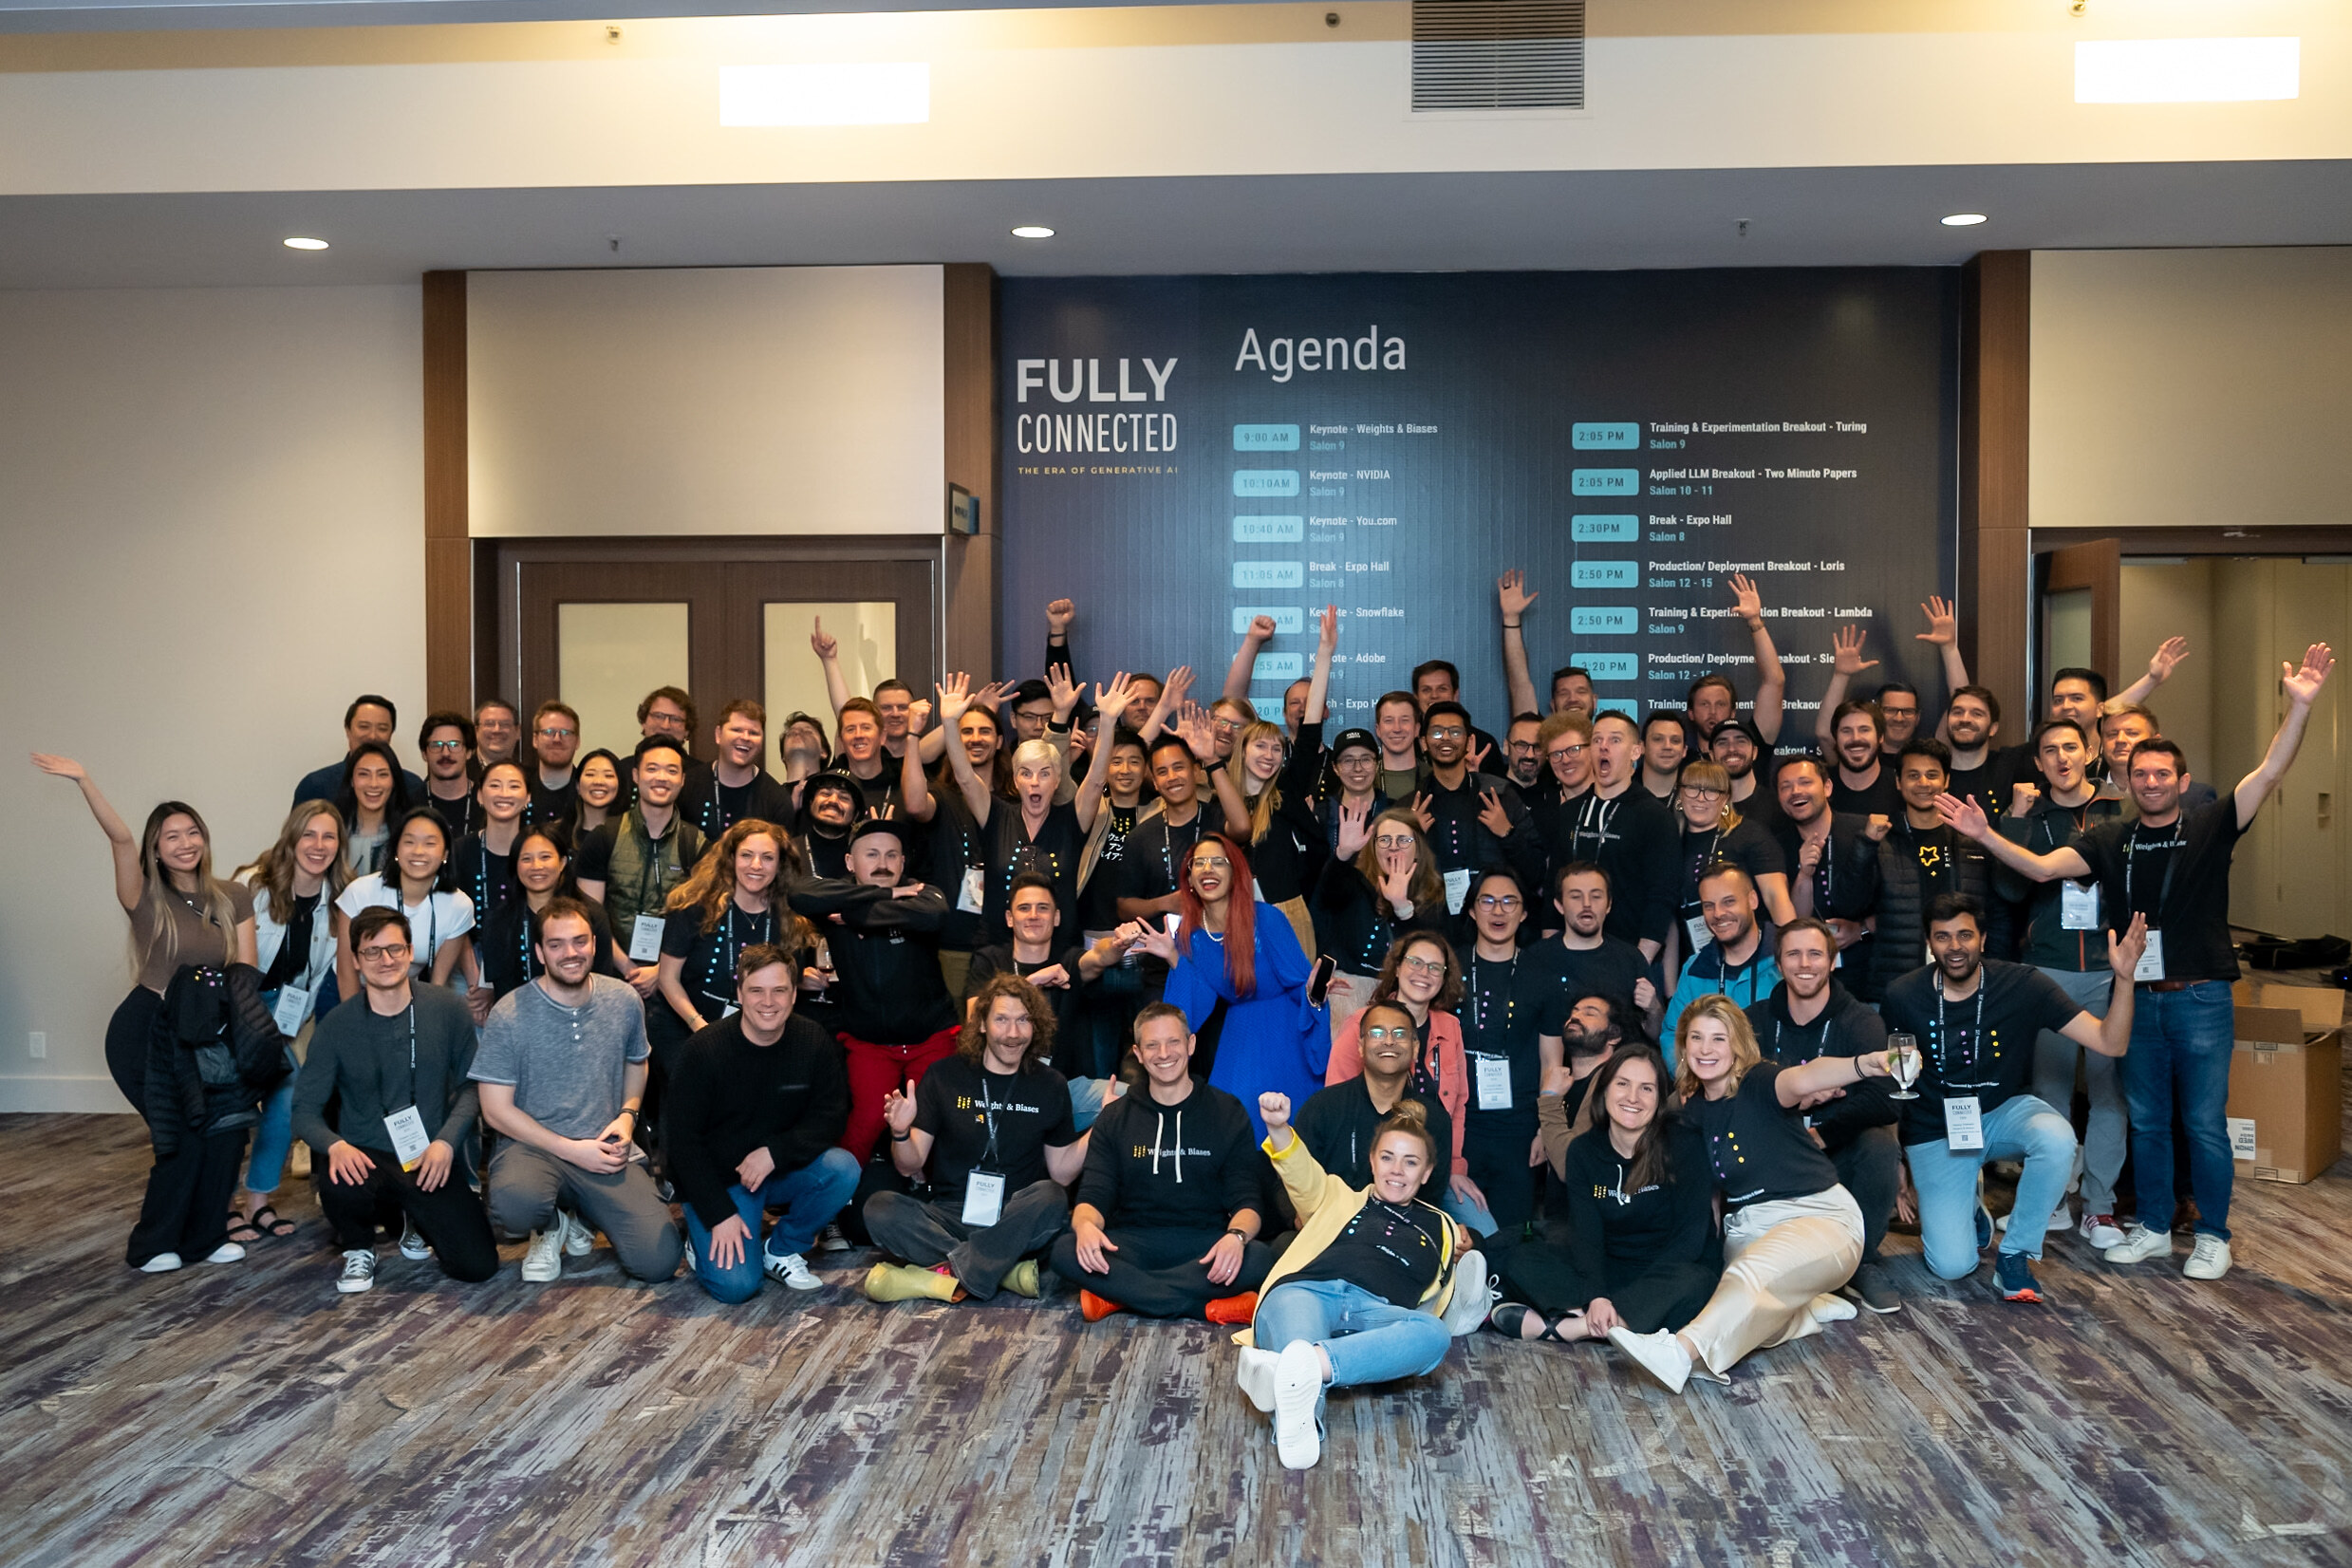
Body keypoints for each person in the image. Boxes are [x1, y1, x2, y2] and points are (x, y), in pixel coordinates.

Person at [1940, 642, 2333, 1281]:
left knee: (2201, 1123)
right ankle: (2152, 1226)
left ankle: (2211, 1233)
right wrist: (1986, 835)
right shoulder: (2109, 837)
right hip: (2139, 995)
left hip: (2202, 996)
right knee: (2146, 1118)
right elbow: (2041, 868)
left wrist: (2300, 710)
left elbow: (2268, 773)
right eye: (2141, 775)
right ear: (2127, 780)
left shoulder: (2210, 824)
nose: (2150, 783)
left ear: (2180, 782)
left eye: (2162, 775)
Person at [34, 756, 261, 1267]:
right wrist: (85, 780)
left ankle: (204, 1238)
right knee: (178, 1135)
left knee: (225, 1134)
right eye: (171, 836)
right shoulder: (143, 896)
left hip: (209, 1033)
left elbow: (245, 971)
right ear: (156, 850)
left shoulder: (233, 895)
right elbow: (118, 839)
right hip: (147, 1030)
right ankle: (153, 1245)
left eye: (192, 832)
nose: (185, 843)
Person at [1608, 996, 1889, 1392]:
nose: (1706, 1049)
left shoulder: (1760, 1082)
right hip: (1747, 1227)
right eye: (1697, 1038)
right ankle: (1806, 1306)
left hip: (1818, 1215)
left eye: (1718, 1039)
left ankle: (1678, 1353)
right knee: (1744, 1313)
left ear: (1737, 1044)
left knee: (1747, 1279)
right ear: (1684, 1047)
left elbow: (1806, 1078)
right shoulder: (1689, 1112)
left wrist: (1863, 1065)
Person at [1876, 896, 2144, 1300]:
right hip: (1935, 1126)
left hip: (2004, 1112)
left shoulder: (2023, 984)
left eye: (1965, 935)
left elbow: (2111, 1042)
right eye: (1943, 937)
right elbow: (1894, 1081)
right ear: (1929, 944)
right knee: (1952, 1266)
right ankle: (1970, 1208)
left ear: (1983, 939)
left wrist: (2124, 979)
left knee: (2056, 1138)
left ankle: (2016, 1254)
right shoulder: (1903, 996)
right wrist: (1897, 1158)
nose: (1955, 946)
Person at [1240, 1092, 1482, 1471]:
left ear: (1427, 1172)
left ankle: (1301, 1365)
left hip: (1378, 1313)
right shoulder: (1338, 1196)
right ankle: (1304, 1423)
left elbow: (1442, 1292)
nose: (1397, 1170)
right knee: (1295, 1327)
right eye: (1387, 1158)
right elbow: (1302, 1177)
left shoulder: (1444, 1226)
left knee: (1433, 1335)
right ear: (1372, 1161)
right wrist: (1278, 1128)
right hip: (1309, 1292)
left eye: (1410, 1162)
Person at [473, 897, 682, 1284]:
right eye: (556, 944)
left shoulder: (623, 999)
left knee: (659, 1263)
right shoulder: (509, 1012)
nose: (570, 953)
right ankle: (550, 1224)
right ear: (539, 952)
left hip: (603, 1148)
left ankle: (581, 1213)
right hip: (532, 1148)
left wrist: (626, 1115)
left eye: (579, 941)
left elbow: (637, 1062)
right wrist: (572, 1150)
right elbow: (495, 1110)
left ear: (595, 945)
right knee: (517, 1207)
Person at [293, 907, 498, 1294]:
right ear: (355, 961)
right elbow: (304, 1111)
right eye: (372, 952)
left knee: (477, 1266)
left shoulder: (447, 1009)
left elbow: (474, 1087)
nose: (385, 960)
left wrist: (446, 1142)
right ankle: (359, 1246)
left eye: (394, 949)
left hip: (428, 1155)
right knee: (338, 1175)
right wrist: (334, 1146)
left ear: (409, 952)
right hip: (365, 1156)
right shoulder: (337, 1025)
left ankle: (411, 1219)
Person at [863, 975, 1090, 1303]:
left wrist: (1103, 1124)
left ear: (1035, 1026)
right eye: (1002, 1020)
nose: (1013, 1034)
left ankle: (940, 1277)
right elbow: (908, 1164)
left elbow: (1062, 1173)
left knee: (1053, 1198)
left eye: (1023, 1020)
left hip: (1017, 1216)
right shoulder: (943, 1076)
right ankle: (1004, 1271)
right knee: (879, 1209)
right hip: (950, 1215)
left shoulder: (1050, 1084)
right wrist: (899, 1131)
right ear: (982, 1024)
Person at [1994, 719, 2128, 1249]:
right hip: (2047, 968)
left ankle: (2099, 1207)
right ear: (2039, 762)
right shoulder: (2032, 814)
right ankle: (2051, 1202)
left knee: (2107, 1093)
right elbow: (2006, 888)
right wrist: (2016, 819)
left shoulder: (2119, 810)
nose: (2060, 758)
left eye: (2070, 747)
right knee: (2048, 1093)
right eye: (2049, 751)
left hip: (2107, 967)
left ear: (2088, 750)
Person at [664, 943, 861, 1303]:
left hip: (778, 1170)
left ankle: (783, 1248)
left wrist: (775, 1152)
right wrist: (718, 1213)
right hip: (721, 1182)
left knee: (842, 1168)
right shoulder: (704, 1051)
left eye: (779, 990)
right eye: (756, 990)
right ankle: (699, 1238)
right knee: (737, 1285)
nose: (768, 1001)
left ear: (793, 993)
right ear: (739, 993)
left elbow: (831, 1115)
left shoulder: (812, 1040)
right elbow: (681, 1143)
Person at [1054, 1003, 1274, 1321]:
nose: (1164, 1053)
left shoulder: (1227, 1111)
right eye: (1152, 1045)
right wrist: (1086, 1227)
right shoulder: (1116, 1116)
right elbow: (1093, 1196)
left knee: (1258, 1257)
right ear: (1138, 1053)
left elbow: (1248, 1202)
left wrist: (1236, 1237)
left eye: (1173, 1042)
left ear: (1191, 1044)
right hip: (1130, 1245)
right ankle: (1203, 1306)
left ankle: (1120, 1297)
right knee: (1065, 1249)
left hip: (1204, 1244)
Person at [1487, 1044, 1718, 1346]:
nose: (1633, 1097)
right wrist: (1596, 1295)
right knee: (1523, 1257)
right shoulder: (1584, 1151)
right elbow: (1587, 1235)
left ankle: (1572, 1327)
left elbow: (1690, 1241)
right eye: (1622, 1084)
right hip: (1609, 1267)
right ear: (1605, 1090)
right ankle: (1606, 1326)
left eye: (1646, 1088)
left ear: (1660, 1099)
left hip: (1666, 1272)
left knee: (1698, 1283)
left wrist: (1624, 1299)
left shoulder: (1684, 1145)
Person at [1744, 919, 1902, 1314]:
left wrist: (1825, 1132)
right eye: (1793, 954)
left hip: (1834, 1148)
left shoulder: (1861, 1019)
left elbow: (1886, 1099)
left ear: (1833, 961)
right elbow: (1736, 1091)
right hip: (1773, 1151)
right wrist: (1798, 1102)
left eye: (1815, 954)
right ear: (1778, 964)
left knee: (1880, 1144)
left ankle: (1861, 1261)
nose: (1804, 964)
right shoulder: (1753, 1020)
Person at [787, 817, 961, 1166]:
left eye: (892, 856)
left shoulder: (921, 891)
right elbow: (799, 893)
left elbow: (933, 914)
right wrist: (884, 895)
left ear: (903, 862)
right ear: (850, 863)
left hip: (931, 1037)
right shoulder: (839, 893)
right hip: (869, 1042)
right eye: (872, 855)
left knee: (936, 1121)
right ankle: (840, 1201)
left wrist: (856, 916)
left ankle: (936, 1195)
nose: (883, 864)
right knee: (865, 1121)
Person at [1133, 833, 1329, 1140]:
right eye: (1199, 863)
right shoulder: (1191, 933)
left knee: (1283, 1128)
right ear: (1190, 877)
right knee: (1227, 1125)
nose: (1208, 869)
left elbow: (1300, 983)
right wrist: (1172, 955)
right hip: (1238, 1033)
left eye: (1218, 862)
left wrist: (1316, 994)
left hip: (1284, 1030)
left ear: (1235, 872)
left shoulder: (1266, 918)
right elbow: (1190, 1011)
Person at [229, 799, 348, 1245]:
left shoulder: (337, 901)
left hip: (284, 1012)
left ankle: (256, 1202)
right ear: (292, 837)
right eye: (309, 835)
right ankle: (220, 1208)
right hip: (235, 1006)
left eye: (329, 836)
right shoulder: (251, 884)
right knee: (230, 1106)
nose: (318, 846)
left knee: (287, 1098)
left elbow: (315, 978)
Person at [939, 670, 1132, 933]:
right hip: (999, 948)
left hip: (1060, 950)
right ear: (1016, 781)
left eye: (1044, 774)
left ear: (1056, 780)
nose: (1034, 782)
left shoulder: (1071, 819)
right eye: (1026, 773)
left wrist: (1108, 722)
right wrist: (950, 723)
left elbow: (1097, 781)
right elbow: (965, 778)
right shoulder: (996, 814)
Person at [1321, 935, 1472, 1223]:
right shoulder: (1364, 1023)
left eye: (1434, 967)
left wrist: (1455, 1166)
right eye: (1415, 962)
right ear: (1398, 968)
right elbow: (1336, 1100)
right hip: (1371, 1168)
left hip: (1434, 1170)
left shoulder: (1450, 1026)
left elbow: (1459, 1105)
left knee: (1481, 1231)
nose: (1423, 973)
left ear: (1444, 978)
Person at [1443, 869, 1559, 1237]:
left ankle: (1506, 1294)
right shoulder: (1450, 968)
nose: (1499, 910)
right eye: (1487, 900)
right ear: (1472, 910)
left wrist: (1545, 1125)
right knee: (1462, 1231)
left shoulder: (1541, 973)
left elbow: (1551, 1060)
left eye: (1510, 901)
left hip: (1519, 1124)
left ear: (1524, 913)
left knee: (1511, 1229)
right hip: (1461, 1122)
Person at [653, 817, 796, 1076]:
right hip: (687, 1027)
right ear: (731, 859)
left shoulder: (789, 917)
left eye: (767, 858)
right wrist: (701, 1028)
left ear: (779, 865)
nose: (756, 865)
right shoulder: (694, 908)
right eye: (746, 855)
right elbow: (667, 979)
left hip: (756, 1033)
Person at [1861, 737, 1998, 1002]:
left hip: (1966, 978)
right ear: (1899, 782)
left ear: (1946, 780)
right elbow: (1851, 903)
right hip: (1897, 980)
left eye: (1932, 775)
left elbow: (1997, 911)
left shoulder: (1973, 840)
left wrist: (1993, 968)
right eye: (1913, 775)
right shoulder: (1882, 840)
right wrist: (1865, 845)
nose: (1923, 783)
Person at [963, 872, 1139, 1077]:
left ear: (1056, 918)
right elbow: (975, 1021)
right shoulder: (988, 960)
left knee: (1123, 1098)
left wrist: (1120, 943)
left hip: (1065, 1086)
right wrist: (1031, 983)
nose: (1033, 915)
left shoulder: (1069, 959)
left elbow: (1100, 955)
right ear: (1010, 919)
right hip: (1000, 1082)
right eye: (1024, 908)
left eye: (1043, 908)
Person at [1536, 712, 1675, 961]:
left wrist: (1639, 962)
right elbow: (1552, 888)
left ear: (1635, 752)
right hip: (1570, 954)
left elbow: (1662, 896)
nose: (1604, 747)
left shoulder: (1654, 816)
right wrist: (1551, 954)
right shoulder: (1568, 812)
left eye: (1615, 740)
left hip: (1628, 955)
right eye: (1597, 740)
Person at [575, 737, 706, 1001]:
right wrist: (627, 968)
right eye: (652, 768)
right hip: (610, 979)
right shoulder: (605, 836)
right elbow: (588, 916)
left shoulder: (696, 843)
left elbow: (704, 922)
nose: (661, 777)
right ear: (636, 775)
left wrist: (661, 971)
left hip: (676, 985)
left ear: (682, 780)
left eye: (671, 771)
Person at [1294, 1000, 1457, 1199]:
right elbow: (1294, 1183)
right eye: (1377, 1033)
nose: (1389, 1041)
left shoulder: (1434, 1120)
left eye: (1399, 1034)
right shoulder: (1322, 1108)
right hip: (1332, 1223)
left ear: (1415, 1048)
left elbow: (1432, 1198)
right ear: (1361, 1046)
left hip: (1403, 1226)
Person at [1310, 806, 1448, 1032]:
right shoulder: (1352, 881)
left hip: (1403, 1006)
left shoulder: (1434, 895)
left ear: (1419, 848)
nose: (1393, 846)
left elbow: (1426, 957)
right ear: (1373, 849)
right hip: (1345, 1003)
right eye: (1384, 840)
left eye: (1403, 839)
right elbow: (1327, 894)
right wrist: (1343, 854)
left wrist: (1402, 907)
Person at [1413, 700, 1543, 911]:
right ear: (1423, 743)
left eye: (1455, 732)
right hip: (1433, 927)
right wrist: (1412, 840)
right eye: (1437, 733)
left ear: (1469, 741)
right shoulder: (1412, 805)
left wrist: (1508, 834)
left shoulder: (1500, 795)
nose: (1446, 738)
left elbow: (1536, 873)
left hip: (1493, 920)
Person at [1670, 759, 1792, 979]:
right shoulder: (1671, 841)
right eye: (1692, 789)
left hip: (1754, 962)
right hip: (1695, 963)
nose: (1700, 798)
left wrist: (1792, 953)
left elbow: (1776, 897)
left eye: (1711, 791)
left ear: (1725, 798)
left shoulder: (1750, 835)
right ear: (1680, 794)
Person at [334, 807, 476, 997]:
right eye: (409, 842)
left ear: (445, 854)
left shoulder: (459, 906)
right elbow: (346, 970)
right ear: (396, 850)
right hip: (347, 987)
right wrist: (357, 1020)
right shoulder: (360, 892)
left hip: (403, 992)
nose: (418, 851)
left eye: (430, 843)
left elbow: (438, 983)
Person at [476, 829, 624, 999]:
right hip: (521, 1018)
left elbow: (602, 982)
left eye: (545, 857)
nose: (536, 866)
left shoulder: (591, 915)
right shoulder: (498, 921)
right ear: (515, 866)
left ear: (562, 863)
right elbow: (503, 991)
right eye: (526, 859)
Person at [1522, 863, 1654, 1034]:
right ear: (1559, 905)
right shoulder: (1535, 959)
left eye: (1596, 896)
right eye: (1576, 896)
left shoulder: (1630, 958)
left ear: (1609, 905)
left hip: (1620, 1059)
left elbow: (1655, 1036)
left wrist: (1654, 1009)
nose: (1587, 904)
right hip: (1557, 1060)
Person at [1661, 865, 1782, 1050]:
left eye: (1729, 902)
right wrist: (1694, 1076)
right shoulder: (1695, 969)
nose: (1718, 914)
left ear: (1752, 900)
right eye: (1709, 906)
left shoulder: (1786, 959)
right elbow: (1673, 1036)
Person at [688, 699, 797, 842]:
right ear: (718, 735)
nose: (745, 738)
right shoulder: (688, 784)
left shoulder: (777, 799)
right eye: (736, 730)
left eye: (753, 733)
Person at [293, 694, 423, 806]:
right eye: (364, 727)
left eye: (382, 728)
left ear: (391, 734)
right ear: (348, 730)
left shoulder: (411, 786)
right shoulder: (315, 786)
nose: (372, 736)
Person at [451, 759, 531, 943]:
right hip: (466, 955)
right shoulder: (460, 850)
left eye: (514, 786)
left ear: (528, 797)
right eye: (495, 785)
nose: (504, 794)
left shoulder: (539, 852)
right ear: (479, 795)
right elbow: (451, 920)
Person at [332, 740, 410, 876]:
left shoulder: (409, 834)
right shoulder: (333, 832)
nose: (373, 784)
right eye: (364, 774)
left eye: (382, 774)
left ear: (393, 781)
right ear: (351, 780)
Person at [1824, 698, 1900, 818]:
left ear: (1880, 737)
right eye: (1846, 731)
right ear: (1835, 739)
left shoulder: (1900, 788)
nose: (1855, 738)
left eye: (1864, 730)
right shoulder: (1819, 788)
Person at [416, 710, 482, 839]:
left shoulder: (487, 802)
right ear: (424, 753)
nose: (445, 753)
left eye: (454, 745)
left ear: (469, 752)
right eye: (436, 745)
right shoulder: (408, 804)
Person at [526, 700, 584, 825]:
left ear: (577, 741)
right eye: (548, 732)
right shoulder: (520, 790)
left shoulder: (586, 793)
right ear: (535, 739)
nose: (557, 739)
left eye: (565, 733)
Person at [563, 747, 625, 841]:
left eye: (608, 775)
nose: (598, 782)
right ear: (577, 785)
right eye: (590, 774)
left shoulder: (632, 834)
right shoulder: (558, 833)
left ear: (619, 785)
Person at [1372, 690, 1424, 803]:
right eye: (1389, 721)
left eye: (1405, 720)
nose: (1397, 729)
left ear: (1417, 729)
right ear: (1378, 730)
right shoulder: (1364, 777)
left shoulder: (1433, 777)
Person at [1638, 712, 1695, 803]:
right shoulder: (1622, 795)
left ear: (1684, 750)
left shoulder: (1699, 798)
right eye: (1658, 739)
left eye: (1675, 741)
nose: (1667, 746)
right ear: (1642, 747)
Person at [473, 698, 521, 773]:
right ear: (476, 731)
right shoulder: (458, 773)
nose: (497, 730)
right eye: (489, 724)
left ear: (518, 731)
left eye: (505, 724)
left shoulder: (531, 779)